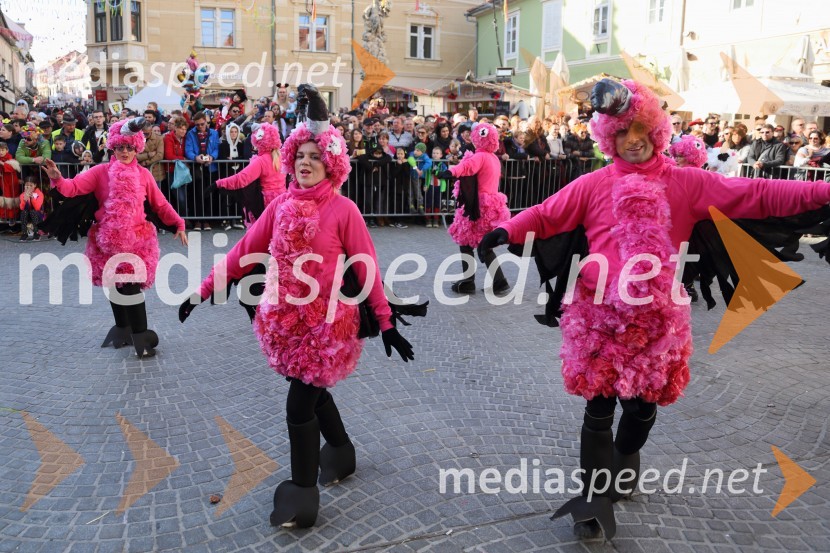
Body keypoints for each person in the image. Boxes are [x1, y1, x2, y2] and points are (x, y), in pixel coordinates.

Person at [478, 78, 830, 540]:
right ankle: (594, 499)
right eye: (622, 132)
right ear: (609, 136)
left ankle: (628, 455)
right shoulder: (593, 184)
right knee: (597, 409)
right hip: (597, 317)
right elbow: (547, 215)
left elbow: (756, 194)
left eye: (641, 127)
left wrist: (823, 193)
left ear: (657, 130)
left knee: (641, 410)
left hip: (655, 321)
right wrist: (507, 229)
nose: (634, 139)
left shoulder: (686, 183)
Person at [178, 84, 417, 529]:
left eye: (315, 157)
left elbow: (366, 269)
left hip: (328, 325)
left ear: (330, 165)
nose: (305, 164)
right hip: (286, 320)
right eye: (300, 156)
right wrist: (204, 289)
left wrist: (387, 323)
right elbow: (245, 251)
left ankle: (303, 495)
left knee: (298, 407)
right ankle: (341, 453)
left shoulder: (344, 210)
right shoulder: (281, 205)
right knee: (311, 390)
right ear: (289, 160)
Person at [42, 118, 188, 358]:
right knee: (113, 286)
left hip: (136, 240)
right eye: (120, 147)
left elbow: (160, 203)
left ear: (136, 148)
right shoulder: (101, 172)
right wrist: (57, 178)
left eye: (130, 147)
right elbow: (73, 189)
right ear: (113, 147)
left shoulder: (143, 175)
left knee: (130, 287)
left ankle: (140, 335)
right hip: (107, 241)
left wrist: (179, 223)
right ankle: (123, 329)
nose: (125, 152)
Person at [436, 122, 511, 294]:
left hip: (478, 205)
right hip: (491, 204)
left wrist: (451, 172)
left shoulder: (481, 156)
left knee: (466, 242)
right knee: (483, 244)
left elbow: (467, 167)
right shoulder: (493, 157)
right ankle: (499, 280)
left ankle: (470, 281)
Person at [214, 122, 287, 225]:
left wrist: (218, 183)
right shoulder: (282, 157)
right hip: (282, 200)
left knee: (261, 235)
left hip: (264, 203)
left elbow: (241, 179)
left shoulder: (260, 161)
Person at [423, 147, 448, 228]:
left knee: (437, 203)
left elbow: (444, 172)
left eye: (437, 153)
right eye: (434, 153)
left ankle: (436, 219)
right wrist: (425, 185)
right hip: (430, 185)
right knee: (428, 203)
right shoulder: (429, 163)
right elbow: (426, 174)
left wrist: (436, 172)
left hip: (439, 186)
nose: (435, 155)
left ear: (441, 155)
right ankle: (428, 220)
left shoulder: (443, 164)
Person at [0, 141, 21, 226]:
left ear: (7, 150)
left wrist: (1, 163)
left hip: (12, 182)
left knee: (12, 199)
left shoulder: (11, 159)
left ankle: (13, 217)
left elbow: (12, 168)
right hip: (2, 182)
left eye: (2, 150)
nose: (0, 152)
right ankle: (3, 215)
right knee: (3, 199)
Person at [17, 177, 44, 241]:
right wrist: (25, 199)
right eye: (27, 185)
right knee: (23, 212)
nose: (28, 187)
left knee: (33, 211)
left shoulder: (39, 194)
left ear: (35, 185)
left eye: (31, 185)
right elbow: (21, 208)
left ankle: (36, 233)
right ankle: (24, 233)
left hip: (38, 215)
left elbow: (37, 208)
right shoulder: (22, 195)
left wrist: (32, 198)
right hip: (27, 215)